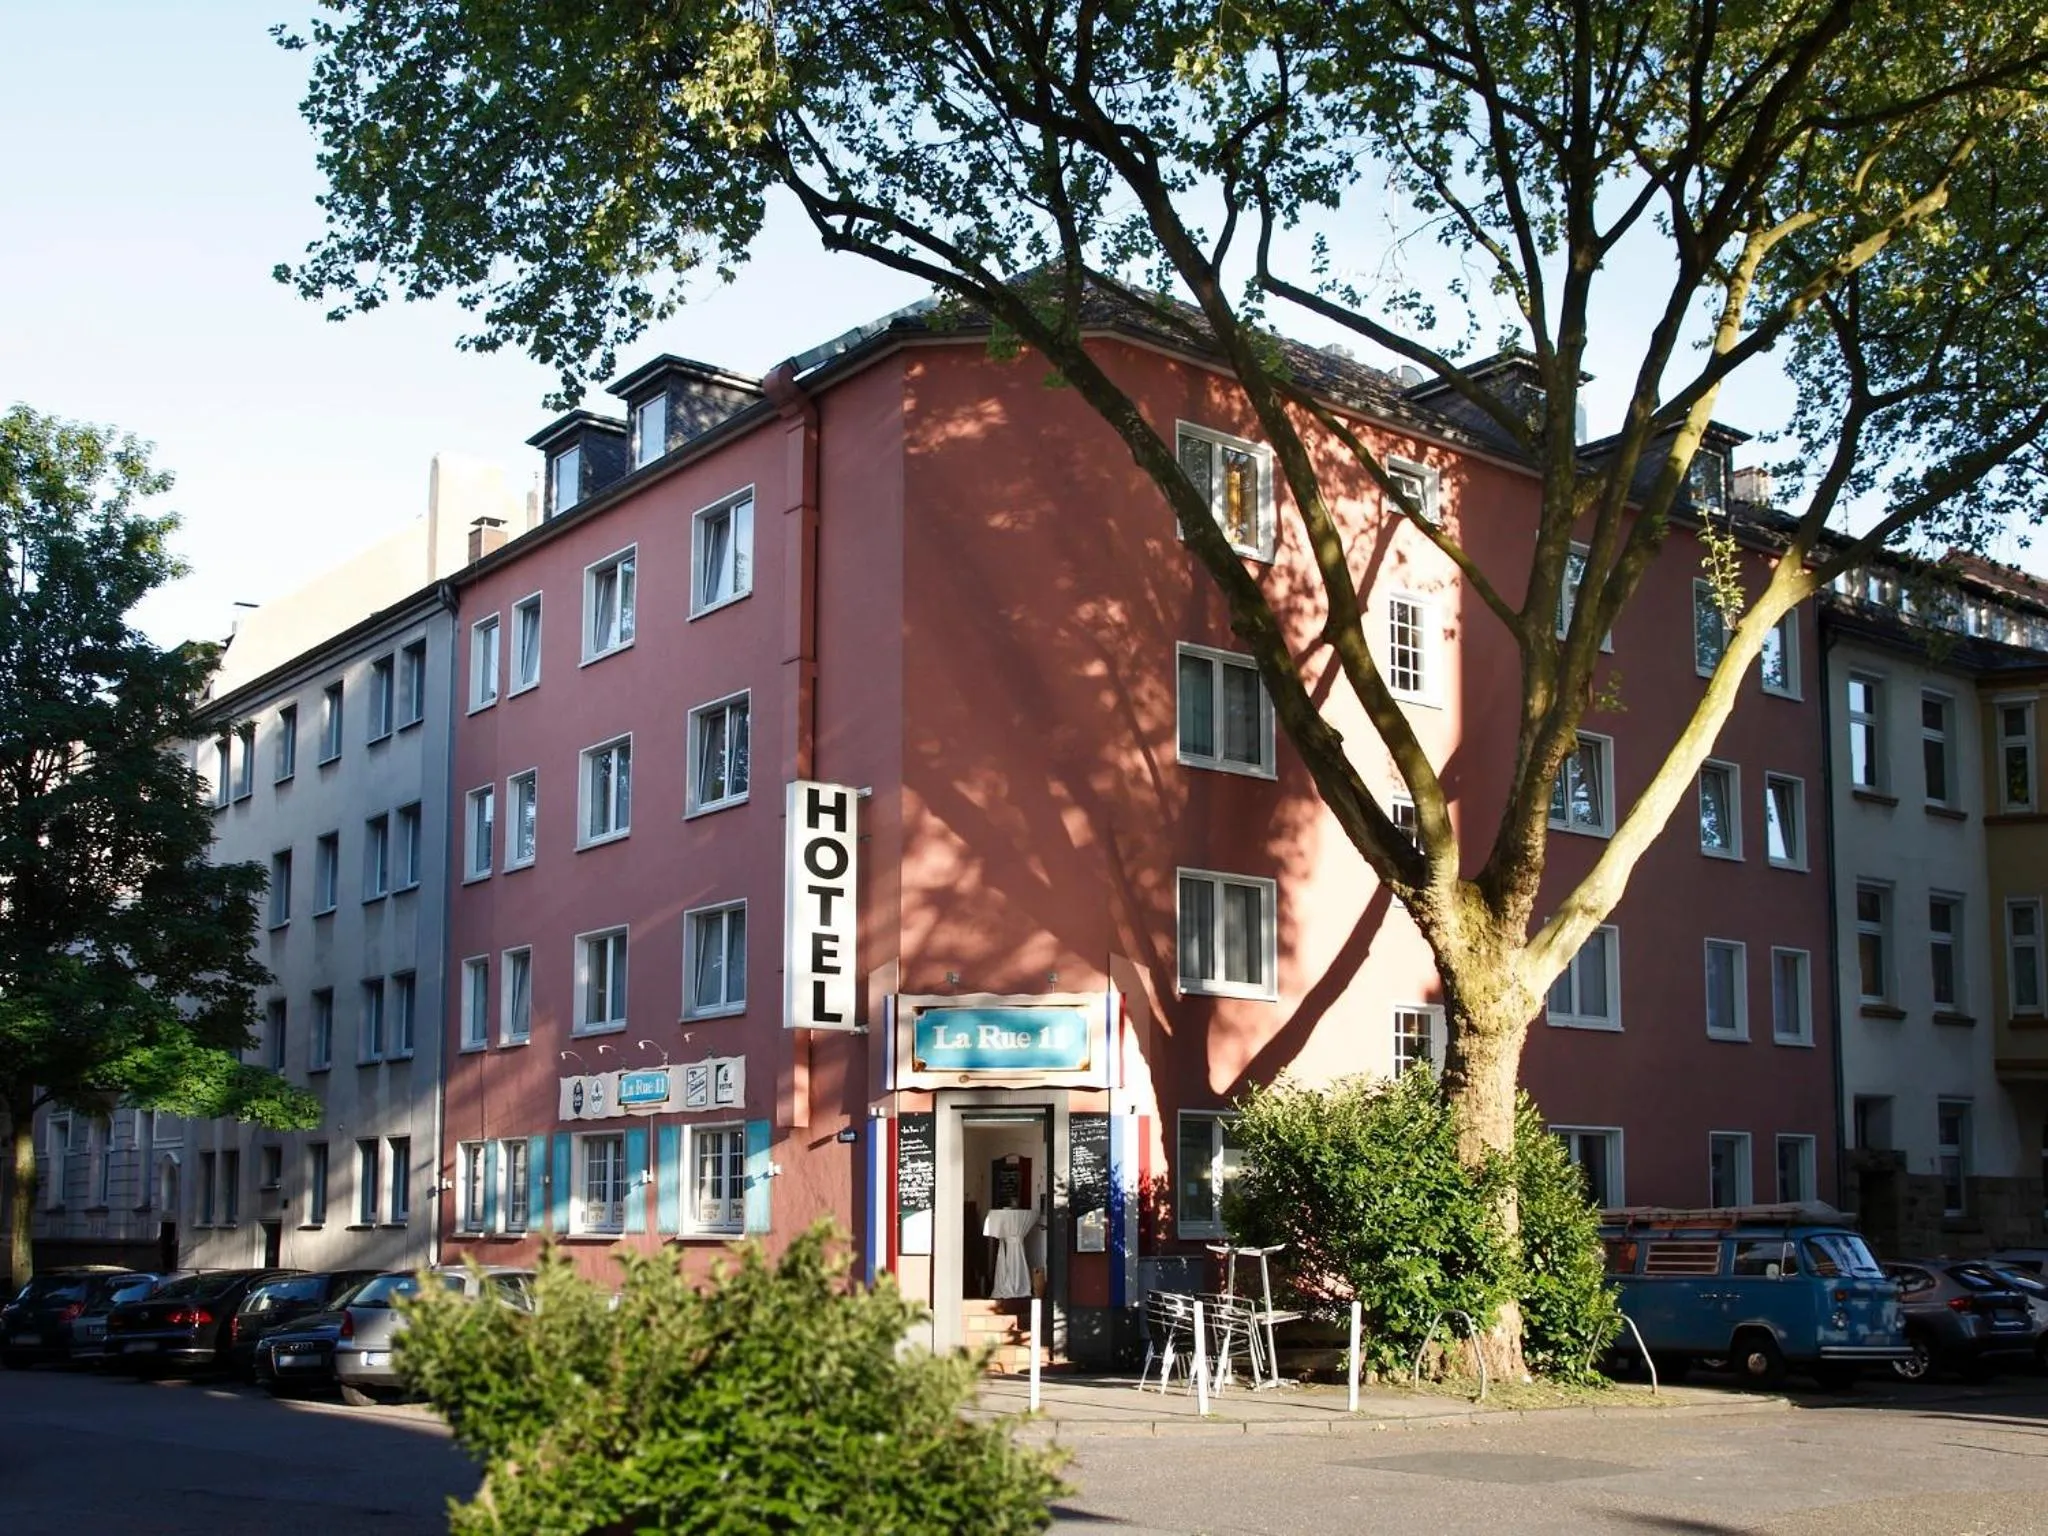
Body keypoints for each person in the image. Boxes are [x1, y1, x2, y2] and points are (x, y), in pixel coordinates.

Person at [982, 1195, 1038, 1300]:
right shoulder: (1021, 1215)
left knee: (1015, 1259)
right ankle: (1017, 1285)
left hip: (1015, 1244)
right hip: (1013, 1244)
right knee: (1014, 1260)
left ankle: (1015, 1285)